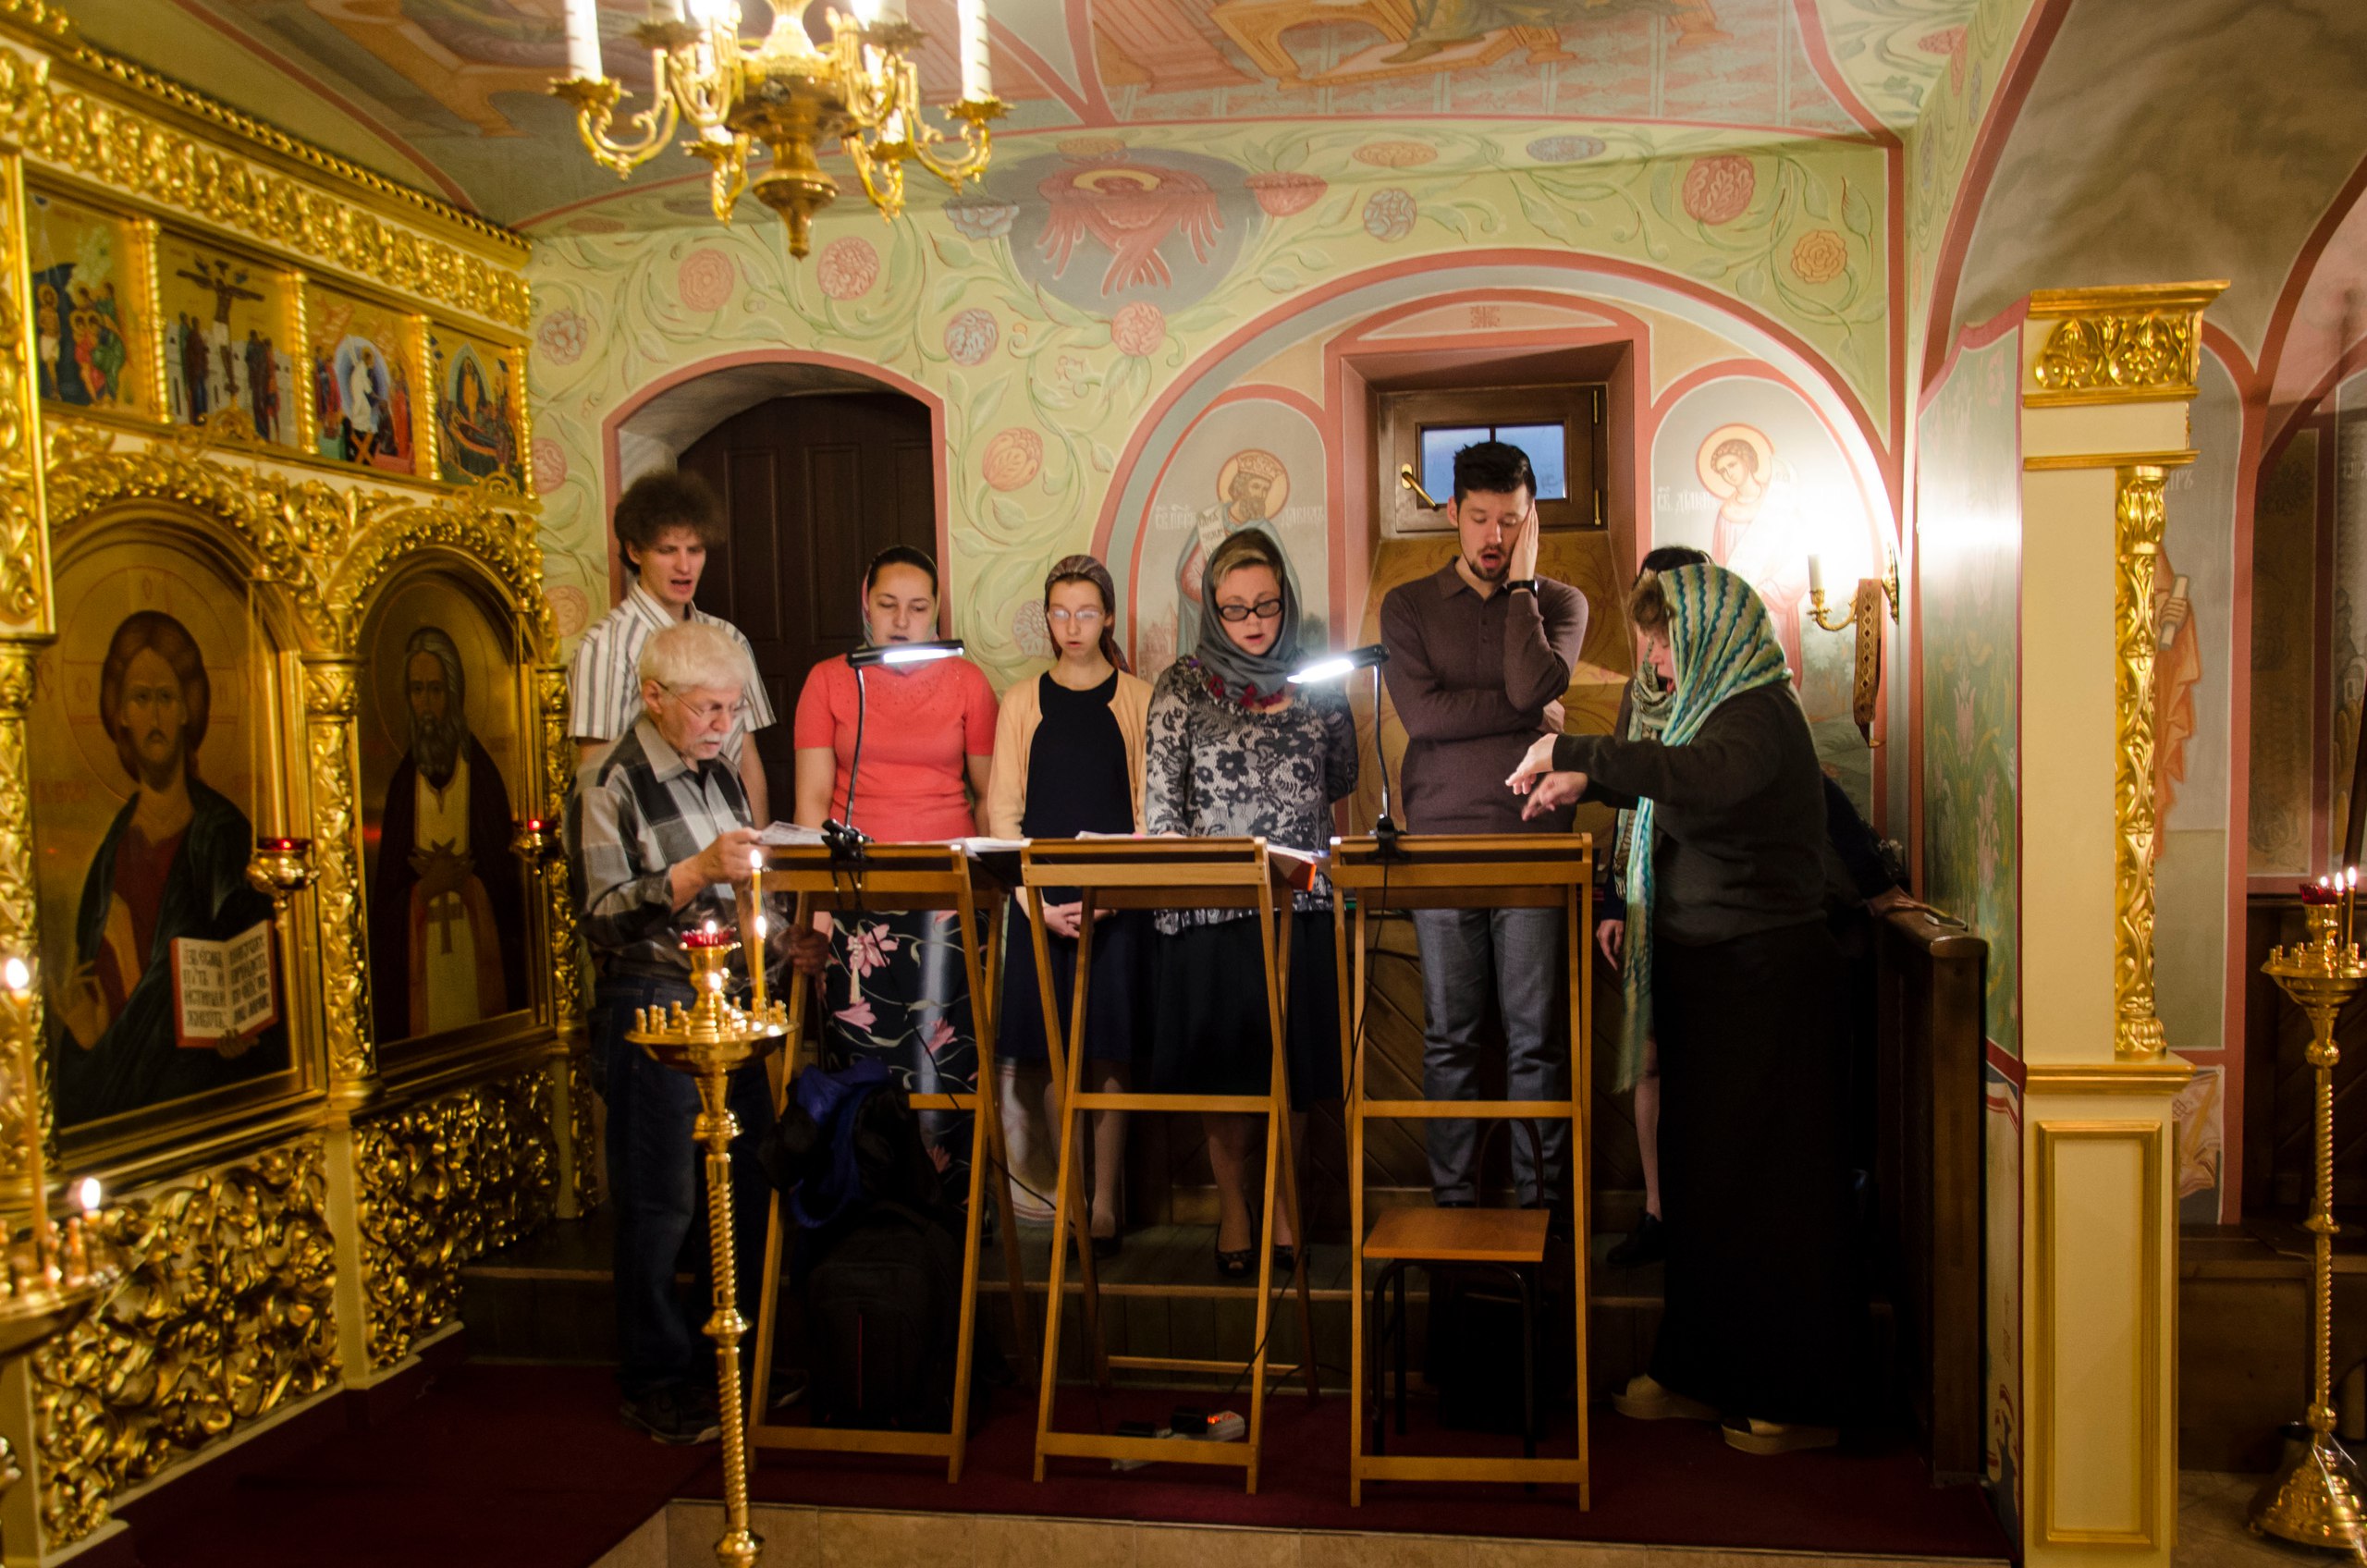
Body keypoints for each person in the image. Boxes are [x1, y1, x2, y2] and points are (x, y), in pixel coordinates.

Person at [1510, 561, 1858, 1454]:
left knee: (1767, 1194)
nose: (1656, 660)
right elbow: (1671, 774)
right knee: (1704, 1191)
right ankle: (1702, 1372)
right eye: (1652, 642)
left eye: (1666, 640)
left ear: (1712, 634)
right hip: (1707, 974)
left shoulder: (1759, 713)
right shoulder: (1706, 712)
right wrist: (1587, 784)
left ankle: (1792, 1395)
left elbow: (1700, 778)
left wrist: (1578, 757)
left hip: (1767, 978)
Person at [568, 619, 824, 1445]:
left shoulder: (719, 774)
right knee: (661, 1202)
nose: (723, 726)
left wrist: (784, 945)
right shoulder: (608, 780)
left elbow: (740, 895)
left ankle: (737, 1362)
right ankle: (656, 1380)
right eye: (707, 709)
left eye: (731, 709)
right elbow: (600, 917)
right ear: (654, 697)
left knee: (744, 1187)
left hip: (732, 1005)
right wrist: (694, 871)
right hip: (654, 1006)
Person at [1380, 438, 1588, 1217]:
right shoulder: (1407, 605)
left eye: (1510, 520)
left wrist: (1523, 588)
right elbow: (1426, 717)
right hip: (1440, 845)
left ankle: (1543, 1219)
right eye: (1479, 519)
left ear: (1532, 520)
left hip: (1535, 843)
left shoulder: (1560, 603)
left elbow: (1532, 683)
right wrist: (1528, 712)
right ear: (1452, 515)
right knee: (1449, 1038)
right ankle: (1454, 1216)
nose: (1494, 537)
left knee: (1535, 1040)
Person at [1144, 528, 1355, 1278]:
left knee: (1292, 1072)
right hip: (1212, 910)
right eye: (1235, 608)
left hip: (1301, 906)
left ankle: (1286, 1206)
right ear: (1212, 610)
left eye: (1266, 604)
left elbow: (1341, 774)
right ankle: (1235, 1209)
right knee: (1227, 1074)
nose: (1254, 622)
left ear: (1286, 602)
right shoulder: (1181, 684)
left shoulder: (1316, 678)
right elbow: (1161, 809)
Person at [791, 545, 999, 1184]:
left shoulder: (968, 682)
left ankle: (952, 1201)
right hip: (855, 896)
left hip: (947, 895)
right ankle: (870, 1201)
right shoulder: (830, 680)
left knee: (946, 1056)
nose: (902, 621)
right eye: (887, 606)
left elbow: (990, 796)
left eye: (917, 607)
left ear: (936, 612)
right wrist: (814, 911)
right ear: (865, 603)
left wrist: (998, 899)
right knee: (866, 1058)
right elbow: (811, 804)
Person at [54, 612, 285, 1127]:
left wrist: (247, 1034)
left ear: (187, 710)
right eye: (140, 698)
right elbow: (100, 998)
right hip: (127, 1108)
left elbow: (262, 972)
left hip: (203, 1099)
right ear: (120, 716)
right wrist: (87, 1032)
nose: (154, 714)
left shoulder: (223, 834)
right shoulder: (111, 852)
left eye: (166, 696)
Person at [985, 556, 1152, 1257]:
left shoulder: (1139, 698)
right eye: (1060, 612)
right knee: (1056, 1056)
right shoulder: (1022, 701)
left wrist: (1113, 894)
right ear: (1047, 619)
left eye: (1086, 612)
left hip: (1117, 902)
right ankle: (1073, 1202)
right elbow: (1002, 816)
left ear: (1107, 616)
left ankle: (1107, 1204)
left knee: (1110, 1051)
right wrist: (1036, 905)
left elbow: (1149, 813)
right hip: (1039, 904)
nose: (1072, 626)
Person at [568, 471, 774, 826]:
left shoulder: (729, 638)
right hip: (657, 831)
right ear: (635, 551)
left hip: (730, 826)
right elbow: (595, 777)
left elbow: (746, 756)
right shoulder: (606, 647)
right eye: (667, 550)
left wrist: (761, 843)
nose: (684, 565)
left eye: (695, 550)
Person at [369, 625, 530, 1042]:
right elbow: (383, 905)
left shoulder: (483, 778)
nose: (425, 704)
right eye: (417, 690)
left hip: (478, 963)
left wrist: (467, 883)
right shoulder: (403, 787)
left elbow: (510, 894)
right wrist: (424, 891)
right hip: (419, 975)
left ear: (454, 695)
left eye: (436, 690)